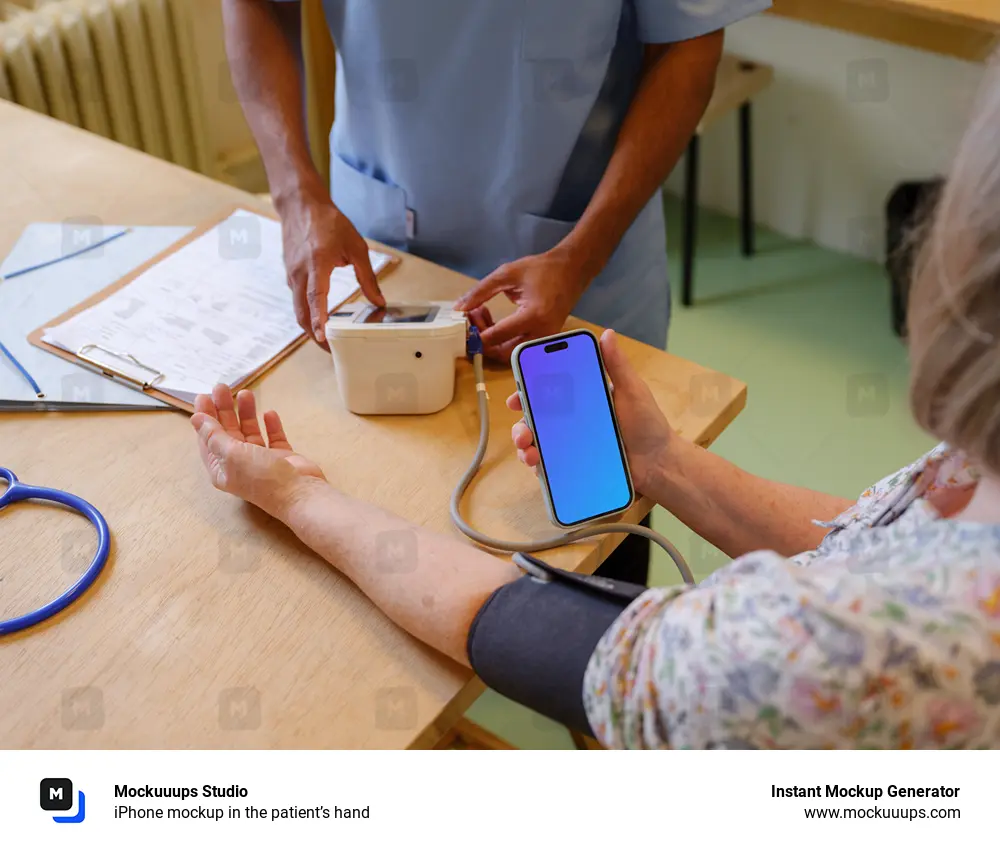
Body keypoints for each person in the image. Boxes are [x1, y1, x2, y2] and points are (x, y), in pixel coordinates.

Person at [192, 58, 1000, 748]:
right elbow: (873, 541)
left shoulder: (832, 652)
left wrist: (296, 493)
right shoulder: (965, 503)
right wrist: (661, 461)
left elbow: (507, 621)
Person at [222, 0, 771, 585]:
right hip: (382, 261)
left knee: (593, 550)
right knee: (384, 548)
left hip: (581, 262)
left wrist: (580, 255)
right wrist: (296, 197)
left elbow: (688, 47)